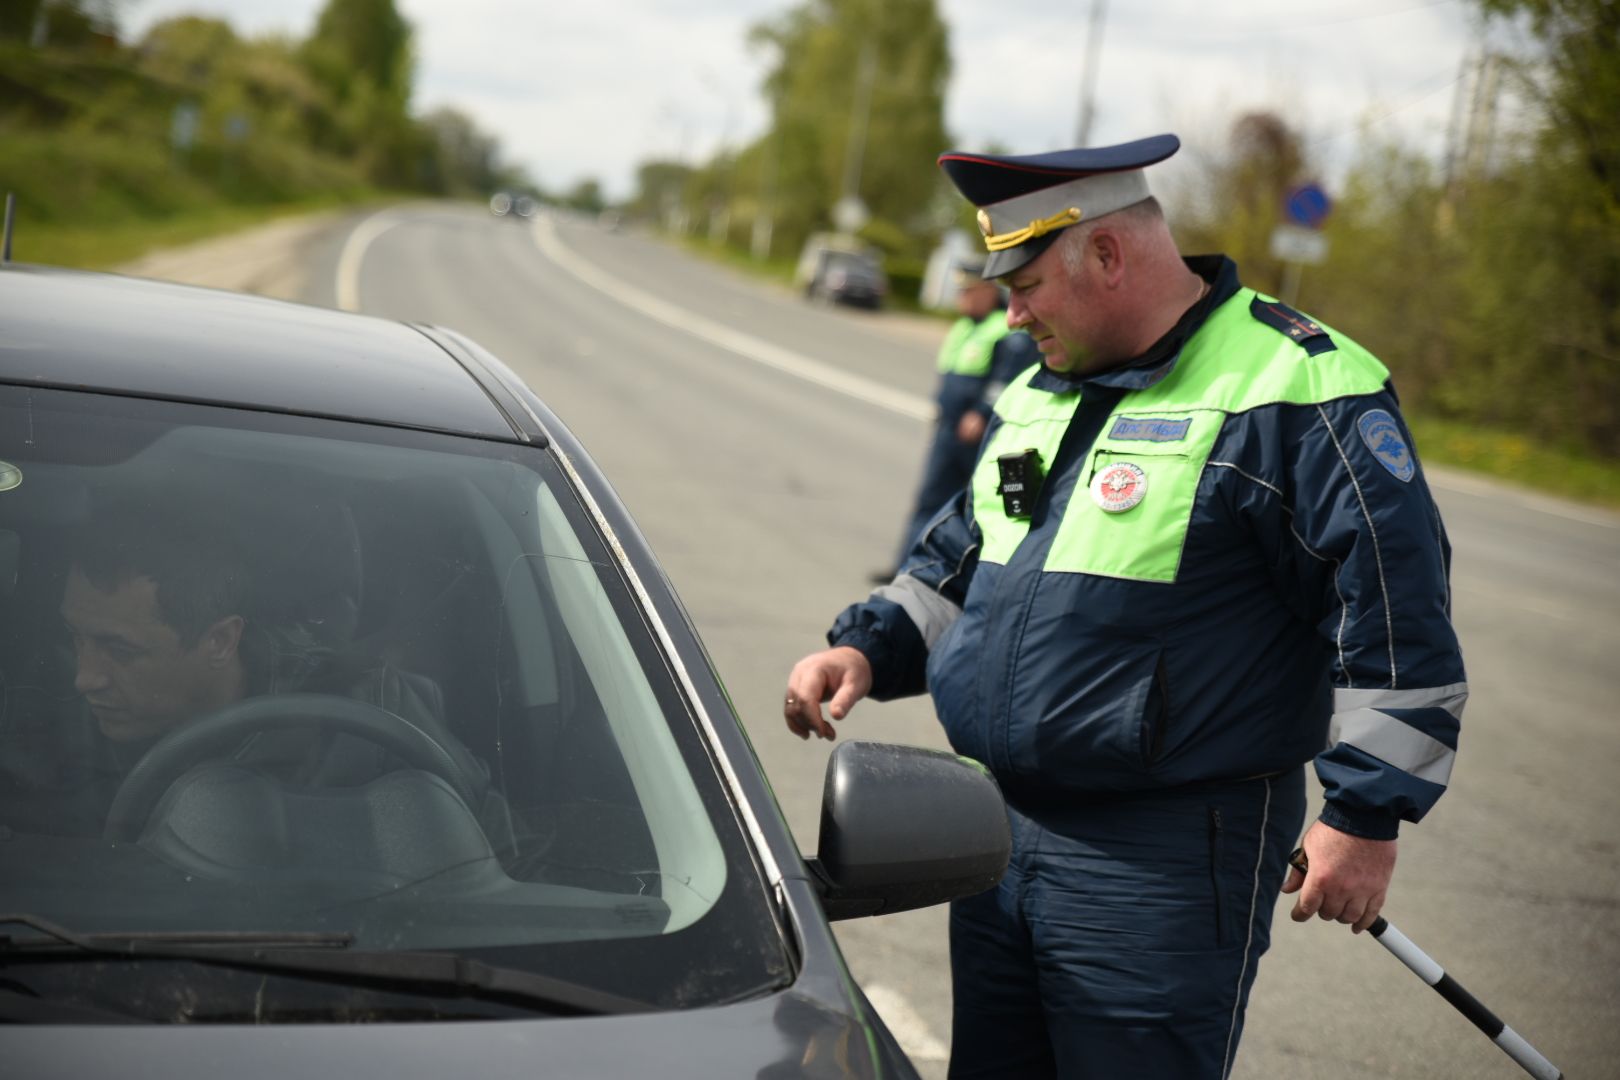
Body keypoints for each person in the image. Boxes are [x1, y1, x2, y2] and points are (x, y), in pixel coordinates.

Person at [782, 134, 1466, 1079]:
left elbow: (1395, 611)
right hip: (995, 832)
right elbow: (958, 560)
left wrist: (1365, 815)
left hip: (1163, 859)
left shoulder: (1298, 385)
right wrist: (868, 647)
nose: (1011, 313)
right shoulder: (1039, 388)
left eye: (1027, 285)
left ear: (1107, 253)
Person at [875, 260, 1039, 581]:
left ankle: (956, 581)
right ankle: (906, 573)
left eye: (968, 291)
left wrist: (980, 412)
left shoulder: (1008, 328)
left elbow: (1005, 380)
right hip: (949, 429)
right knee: (929, 501)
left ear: (988, 290)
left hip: (980, 434)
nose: (961, 297)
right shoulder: (965, 326)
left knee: (978, 509)